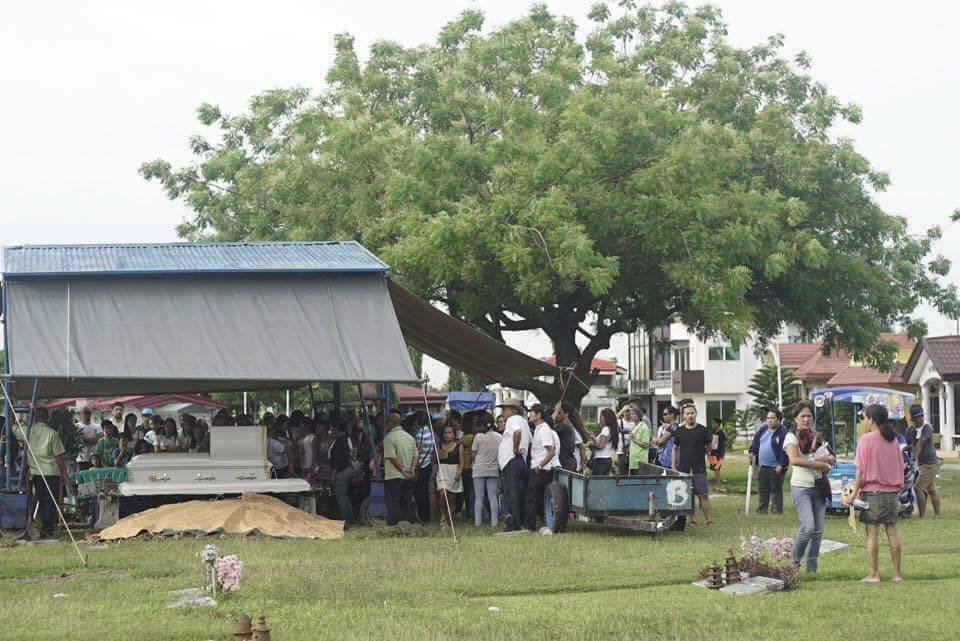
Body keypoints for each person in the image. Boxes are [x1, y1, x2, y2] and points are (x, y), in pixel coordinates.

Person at [843, 404, 905, 583]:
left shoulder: (865, 440)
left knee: (872, 534)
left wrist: (852, 494)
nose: (865, 421)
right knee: (892, 533)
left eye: (866, 418)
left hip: (872, 494)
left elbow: (860, 473)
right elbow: (900, 467)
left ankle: (874, 574)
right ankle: (896, 575)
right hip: (892, 494)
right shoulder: (893, 441)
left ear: (872, 419)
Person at [784, 401, 834, 573]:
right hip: (801, 487)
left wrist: (829, 459)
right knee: (808, 527)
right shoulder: (791, 437)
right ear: (796, 419)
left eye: (809, 416)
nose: (806, 419)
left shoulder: (816, 437)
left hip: (819, 487)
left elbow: (828, 456)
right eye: (802, 416)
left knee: (818, 531)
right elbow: (795, 460)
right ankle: (795, 563)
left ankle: (812, 569)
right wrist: (819, 464)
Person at [15, 407, 68, 537]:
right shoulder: (52, 433)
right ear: (47, 418)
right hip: (51, 473)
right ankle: (47, 529)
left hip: (36, 473)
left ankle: (39, 525)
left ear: (35, 418)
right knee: (50, 502)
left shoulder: (27, 431)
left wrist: (13, 415)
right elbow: (58, 457)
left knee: (40, 500)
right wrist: (64, 473)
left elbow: (12, 428)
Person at [671, 403, 713, 525]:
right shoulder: (679, 431)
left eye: (692, 413)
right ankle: (693, 520)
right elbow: (675, 448)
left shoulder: (703, 430)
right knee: (688, 496)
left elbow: (709, 447)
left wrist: (699, 453)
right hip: (683, 468)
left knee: (703, 494)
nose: (690, 415)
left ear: (696, 414)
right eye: (687, 414)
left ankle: (709, 520)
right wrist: (673, 465)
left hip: (699, 468)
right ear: (683, 416)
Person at [497, 396, 530, 531]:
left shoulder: (513, 420)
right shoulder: (523, 421)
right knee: (516, 492)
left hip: (511, 460)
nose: (503, 413)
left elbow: (517, 433)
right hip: (519, 461)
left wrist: (515, 449)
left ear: (513, 410)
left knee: (510, 494)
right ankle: (515, 520)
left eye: (505, 409)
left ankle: (513, 523)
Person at [524, 404, 558, 530]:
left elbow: (551, 451)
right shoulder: (539, 428)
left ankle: (530, 526)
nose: (530, 415)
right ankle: (539, 524)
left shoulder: (544, 429)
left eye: (532, 413)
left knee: (532, 499)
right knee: (536, 499)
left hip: (541, 470)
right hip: (538, 469)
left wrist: (540, 465)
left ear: (538, 415)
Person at [748, 408, 789, 514]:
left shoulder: (783, 432)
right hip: (763, 466)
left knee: (775, 490)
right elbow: (756, 441)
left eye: (772, 418)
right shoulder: (763, 429)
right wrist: (752, 451)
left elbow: (786, 451)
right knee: (762, 489)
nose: (769, 420)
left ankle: (776, 512)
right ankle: (761, 510)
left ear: (779, 419)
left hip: (776, 466)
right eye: (768, 418)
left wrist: (781, 465)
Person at [382, 412, 417, 525]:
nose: (385, 425)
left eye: (386, 423)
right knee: (406, 503)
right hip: (409, 476)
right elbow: (416, 455)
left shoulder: (389, 438)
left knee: (393, 503)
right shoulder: (410, 437)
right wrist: (411, 469)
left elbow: (392, 457)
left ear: (391, 423)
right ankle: (409, 526)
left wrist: (402, 470)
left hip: (394, 476)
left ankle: (393, 527)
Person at [908, 406, 941, 518]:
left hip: (931, 464)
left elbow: (919, 445)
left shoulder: (927, 427)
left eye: (922, 415)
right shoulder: (910, 430)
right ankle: (938, 515)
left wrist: (913, 460)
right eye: (918, 417)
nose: (921, 418)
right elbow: (909, 445)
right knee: (931, 490)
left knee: (918, 488)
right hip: (922, 465)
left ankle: (922, 517)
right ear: (912, 419)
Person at [471, 412, 502, 527]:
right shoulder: (500, 437)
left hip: (479, 469)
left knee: (479, 497)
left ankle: (477, 523)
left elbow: (473, 454)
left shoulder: (478, 437)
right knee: (493, 496)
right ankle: (495, 523)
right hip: (493, 469)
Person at [436, 425, 464, 529]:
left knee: (451, 500)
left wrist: (459, 472)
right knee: (442, 494)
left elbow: (461, 462)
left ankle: (449, 520)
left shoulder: (459, 446)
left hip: (454, 472)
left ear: (454, 434)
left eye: (450, 432)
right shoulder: (439, 445)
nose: (447, 435)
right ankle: (443, 515)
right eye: (445, 432)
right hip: (442, 471)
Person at [329, 420, 355, 522]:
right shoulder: (345, 439)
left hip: (342, 472)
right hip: (347, 470)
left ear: (336, 429)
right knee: (344, 496)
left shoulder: (340, 441)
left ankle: (345, 520)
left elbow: (337, 461)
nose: (330, 431)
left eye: (332, 429)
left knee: (341, 497)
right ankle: (350, 518)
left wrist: (333, 475)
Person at [412, 411, 436, 523]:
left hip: (421, 466)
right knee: (426, 492)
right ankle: (427, 516)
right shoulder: (429, 431)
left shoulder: (419, 434)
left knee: (419, 493)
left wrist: (413, 468)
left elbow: (418, 451)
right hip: (428, 464)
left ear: (417, 421)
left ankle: (423, 516)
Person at [586, 408, 618, 475]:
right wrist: (594, 438)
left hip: (601, 460)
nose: (600, 419)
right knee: (603, 483)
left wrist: (591, 446)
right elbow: (603, 444)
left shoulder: (605, 429)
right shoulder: (610, 429)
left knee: (596, 483)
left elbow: (601, 446)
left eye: (601, 417)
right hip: (607, 460)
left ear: (607, 418)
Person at [552, 402, 579, 472]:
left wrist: (555, 411)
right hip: (568, 462)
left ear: (566, 414)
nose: (557, 415)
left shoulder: (565, 425)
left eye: (559, 413)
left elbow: (548, 426)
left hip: (566, 464)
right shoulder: (564, 424)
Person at [627, 406, 651, 473]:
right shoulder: (634, 427)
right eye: (630, 414)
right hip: (633, 462)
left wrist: (634, 439)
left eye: (633, 414)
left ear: (638, 415)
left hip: (640, 462)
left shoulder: (644, 427)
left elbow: (646, 445)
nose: (631, 415)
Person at [75, 407, 100, 471]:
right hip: (81, 459)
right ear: (80, 414)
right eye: (85, 413)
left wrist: (86, 439)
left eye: (89, 413)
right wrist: (94, 439)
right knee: (82, 480)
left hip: (94, 459)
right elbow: (83, 441)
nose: (88, 414)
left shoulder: (97, 426)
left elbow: (99, 440)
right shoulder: (77, 426)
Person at [615, 404, 636, 475]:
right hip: (621, 451)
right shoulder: (619, 422)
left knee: (634, 474)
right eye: (626, 411)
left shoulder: (635, 423)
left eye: (629, 410)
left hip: (633, 451)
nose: (628, 412)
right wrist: (622, 410)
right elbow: (611, 422)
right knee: (622, 474)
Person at [708, 418, 727, 488]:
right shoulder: (713, 432)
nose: (712, 425)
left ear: (717, 424)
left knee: (717, 469)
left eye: (713, 423)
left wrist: (722, 454)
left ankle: (719, 485)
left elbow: (725, 443)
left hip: (718, 454)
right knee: (714, 469)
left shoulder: (721, 433)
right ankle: (718, 484)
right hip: (713, 453)